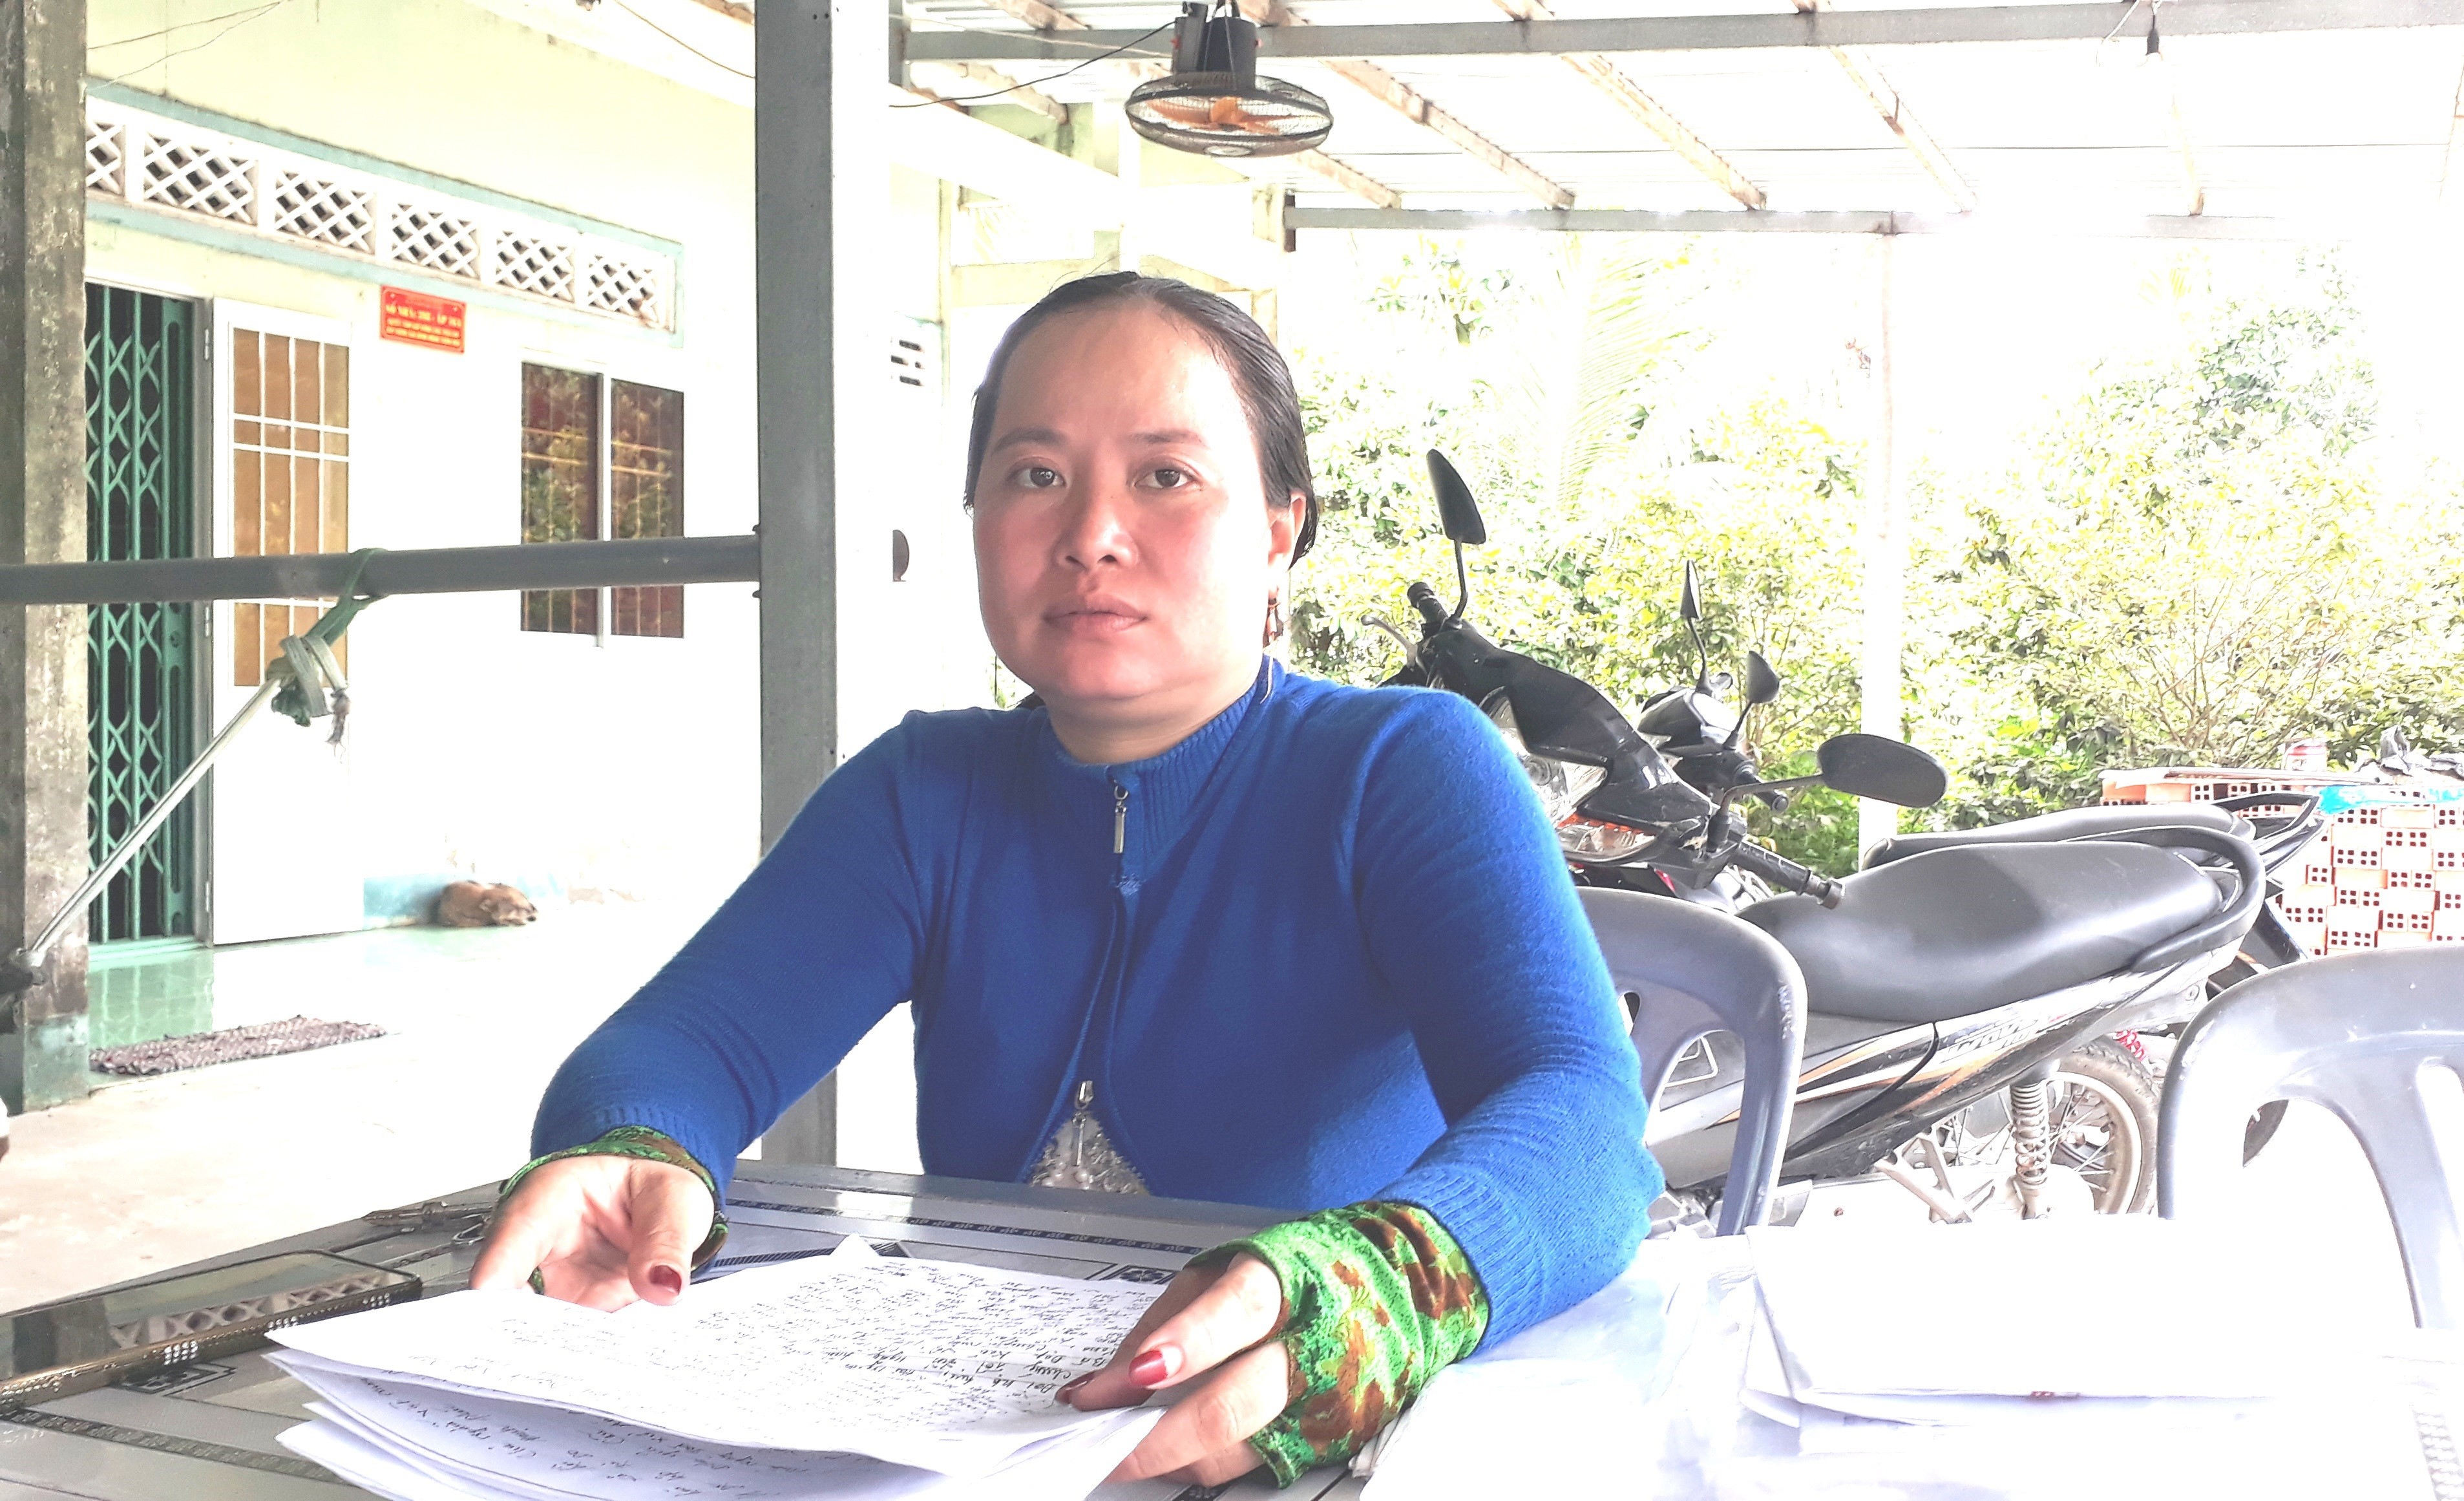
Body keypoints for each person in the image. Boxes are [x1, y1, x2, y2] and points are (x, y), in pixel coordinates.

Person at [474, 272, 1661, 1487]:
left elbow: (1579, 1115)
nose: (1091, 533)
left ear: (1277, 530)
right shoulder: (923, 793)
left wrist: (1374, 1295)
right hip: (978, 1443)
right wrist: (639, 1152)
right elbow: (687, 1047)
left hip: (1300, 1454)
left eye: (1166, 475)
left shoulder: (1399, 769)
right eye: (1035, 474)